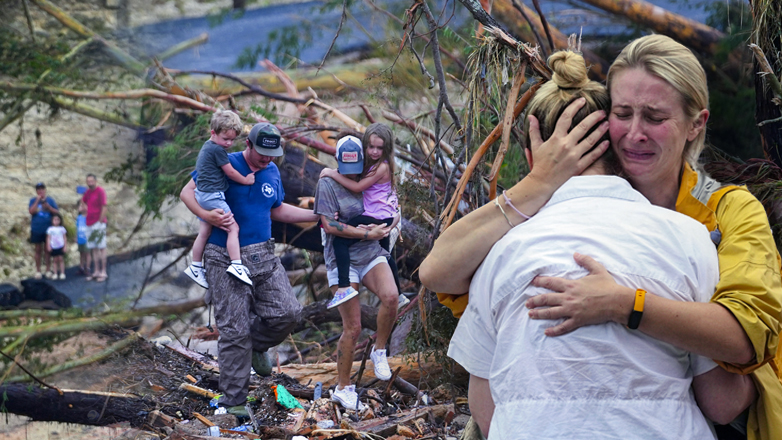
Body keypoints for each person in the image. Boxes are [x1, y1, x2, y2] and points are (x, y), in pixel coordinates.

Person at [420, 35, 782, 440]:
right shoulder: (540, 217)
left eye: (655, 117)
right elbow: (437, 271)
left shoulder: (726, 211)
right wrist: (539, 181)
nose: (634, 133)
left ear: (696, 123)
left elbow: (743, 337)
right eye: (622, 113)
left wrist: (623, 304)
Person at [179, 121, 319, 413]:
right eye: (261, 154)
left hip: (264, 255)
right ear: (248, 145)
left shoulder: (272, 170)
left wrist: (314, 214)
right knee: (233, 331)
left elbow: (276, 208)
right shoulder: (222, 160)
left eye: (272, 155)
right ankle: (233, 403)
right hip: (222, 255)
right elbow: (186, 193)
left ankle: (254, 345)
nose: (266, 160)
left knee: (289, 313)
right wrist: (208, 215)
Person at [313, 135, 400, 410]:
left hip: (370, 252)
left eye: (356, 166)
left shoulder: (370, 174)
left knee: (391, 297)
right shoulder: (327, 184)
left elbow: (389, 202)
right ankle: (343, 387)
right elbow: (327, 225)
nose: (352, 172)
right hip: (342, 260)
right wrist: (365, 231)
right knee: (353, 326)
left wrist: (392, 219)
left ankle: (380, 350)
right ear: (338, 162)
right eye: (346, 167)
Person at [318, 124, 401, 309]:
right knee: (385, 253)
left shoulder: (379, 168)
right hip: (378, 218)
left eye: (379, 148)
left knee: (379, 253)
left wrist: (331, 172)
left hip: (377, 220)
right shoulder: (370, 168)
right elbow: (331, 221)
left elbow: (358, 188)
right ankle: (399, 294)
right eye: (371, 147)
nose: (374, 151)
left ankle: (344, 286)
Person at [184, 110, 256, 288]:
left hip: (202, 195)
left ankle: (195, 265)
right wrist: (246, 180)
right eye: (225, 139)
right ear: (213, 133)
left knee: (204, 232)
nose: (229, 144)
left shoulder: (208, 146)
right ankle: (236, 264)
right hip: (212, 195)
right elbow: (230, 172)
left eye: (232, 140)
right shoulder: (218, 150)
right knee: (233, 228)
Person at [28, 182, 59, 279]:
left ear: (45, 190)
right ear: (36, 191)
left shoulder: (50, 200)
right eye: (38, 189)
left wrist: (48, 207)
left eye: (42, 189)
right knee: (38, 250)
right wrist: (37, 201)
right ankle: (38, 271)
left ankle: (48, 270)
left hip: (48, 229)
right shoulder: (33, 200)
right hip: (36, 228)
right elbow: (31, 211)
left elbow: (57, 212)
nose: (40, 191)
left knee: (47, 250)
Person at [82, 173, 108, 282]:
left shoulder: (100, 191)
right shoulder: (88, 193)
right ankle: (96, 270)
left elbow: (104, 206)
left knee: (101, 247)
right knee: (93, 248)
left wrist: (100, 221)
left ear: (95, 181)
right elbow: (83, 201)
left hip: (98, 223)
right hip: (89, 223)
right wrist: (85, 211)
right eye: (88, 181)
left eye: (92, 181)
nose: (90, 183)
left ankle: (104, 271)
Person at [46, 213, 68, 280]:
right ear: (52, 220)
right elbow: (48, 238)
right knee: (55, 260)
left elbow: (64, 238)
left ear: (60, 221)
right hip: (54, 246)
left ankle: (62, 273)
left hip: (60, 246)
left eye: (58, 219)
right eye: (54, 219)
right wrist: (48, 246)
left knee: (61, 259)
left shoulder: (62, 229)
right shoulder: (50, 229)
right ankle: (55, 273)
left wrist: (65, 246)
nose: (56, 221)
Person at [76, 188, 91, 276]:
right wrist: (76, 237)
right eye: (80, 206)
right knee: (81, 253)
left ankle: (87, 268)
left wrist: (83, 197)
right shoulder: (79, 217)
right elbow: (77, 228)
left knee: (87, 254)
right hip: (80, 238)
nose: (81, 207)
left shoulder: (88, 216)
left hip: (87, 238)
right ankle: (81, 267)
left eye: (82, 206)